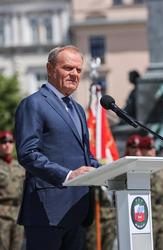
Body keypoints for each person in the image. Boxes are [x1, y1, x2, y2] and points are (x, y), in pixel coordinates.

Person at [14, 45, 100, 250]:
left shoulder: (78, 109)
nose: (74, 74)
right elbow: (28, 153)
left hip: (78, 209)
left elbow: (84, 154)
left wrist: (108, 170)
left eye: (78, 70)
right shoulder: (34, 104)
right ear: (50, 69)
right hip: (47, 210)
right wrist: (67, 175)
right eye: (68, 68)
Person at [0, 131, 25, 250]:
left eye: (10, 142)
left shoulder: (19, 166)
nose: (7, 145)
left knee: (17, 247)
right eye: (3, 142)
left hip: (18, 214)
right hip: (2, 215)